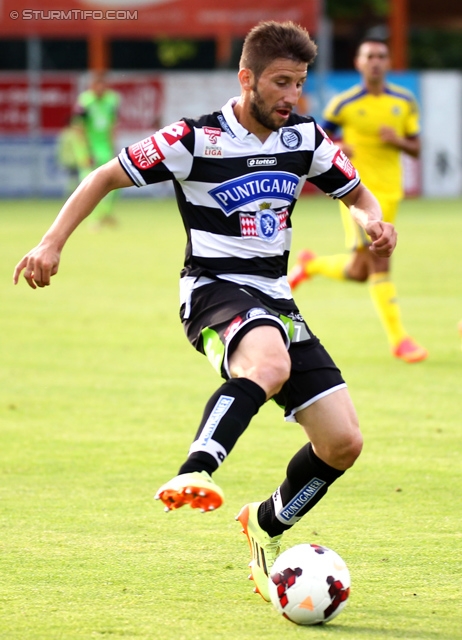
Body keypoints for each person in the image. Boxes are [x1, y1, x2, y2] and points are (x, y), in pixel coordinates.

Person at [13, 22, 397, 603]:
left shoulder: (305, 138)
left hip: (277, 297)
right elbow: (103, 176)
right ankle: (196, 468)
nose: (292, 96)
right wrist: (50, 243)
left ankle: (264, 523)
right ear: (247, 79)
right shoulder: (193, 139)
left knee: (343, 443)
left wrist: (370, 219)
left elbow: (357, 193)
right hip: (213, 289)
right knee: (267, 361)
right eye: (280, 83)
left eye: (299, 84)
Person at [288, 38, 427, 364]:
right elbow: (318, 139)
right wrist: (339, 146)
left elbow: (418, 148)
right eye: (370, 56)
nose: (376, 61)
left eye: (381, 56)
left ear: (389, 63)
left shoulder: (404, 102)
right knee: (381, 262)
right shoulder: (344, 103)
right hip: (357, 195)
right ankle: (400, 340)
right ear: (359, 63)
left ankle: (311, 264)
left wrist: (398, 141)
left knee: (360, 271)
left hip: (391, 192)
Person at [74, 71, 120, 228]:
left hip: (105, 148)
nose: (100, 89)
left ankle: (105, 215)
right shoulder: (85, 102)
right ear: (92, 86)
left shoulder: (112, 100)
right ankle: (94, 219)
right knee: (89, 184)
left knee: (116, 182)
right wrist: (85, 151)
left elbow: (113, 125)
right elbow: (79, 127)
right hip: (89, 149)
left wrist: (113, 147)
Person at [56, 115, 92, 196]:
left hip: (66, 159)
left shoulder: (64, 133)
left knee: (73, 177)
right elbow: (76, 149)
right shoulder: (72, 135)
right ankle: (72, 194)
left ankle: (71, 194)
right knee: (74, 178)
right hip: (73, 160)